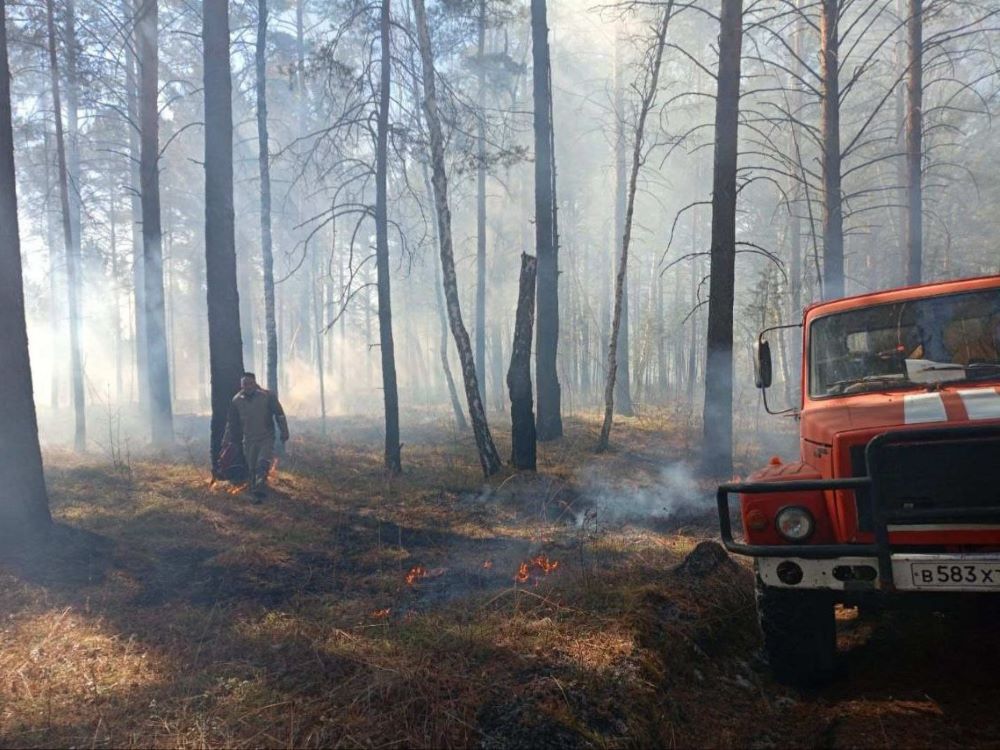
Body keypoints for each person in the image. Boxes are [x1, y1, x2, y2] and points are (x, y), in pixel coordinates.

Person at [224, 372, 289, 498]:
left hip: (266, 437)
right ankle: (255, 490)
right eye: (244, 384)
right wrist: (226, 440)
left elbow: (279, 414)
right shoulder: (236, 400)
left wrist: (284, 431)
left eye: (250, 383)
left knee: (262, 463)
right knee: (252, 467)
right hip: (248, 439)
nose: (247, 386)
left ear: (255, 383)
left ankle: (260, 487)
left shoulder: (267, 396)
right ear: (241, 385)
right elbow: (231, 422)